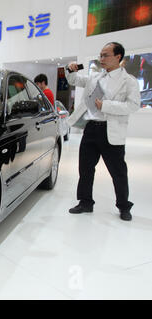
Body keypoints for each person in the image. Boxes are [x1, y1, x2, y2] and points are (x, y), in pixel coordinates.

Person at [66, 42, 141, 221]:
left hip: (111, 130)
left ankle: (123, 206)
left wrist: (105, 105)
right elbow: (75, 80)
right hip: (91, 128)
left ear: (118, 57)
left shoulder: (128, 81)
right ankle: (85, 202)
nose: (101, 59)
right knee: (85, 168)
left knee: (118, 172)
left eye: (105, 55)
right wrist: (71, 70)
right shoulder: (95, 76)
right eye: (100, 55)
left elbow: (133, 105)